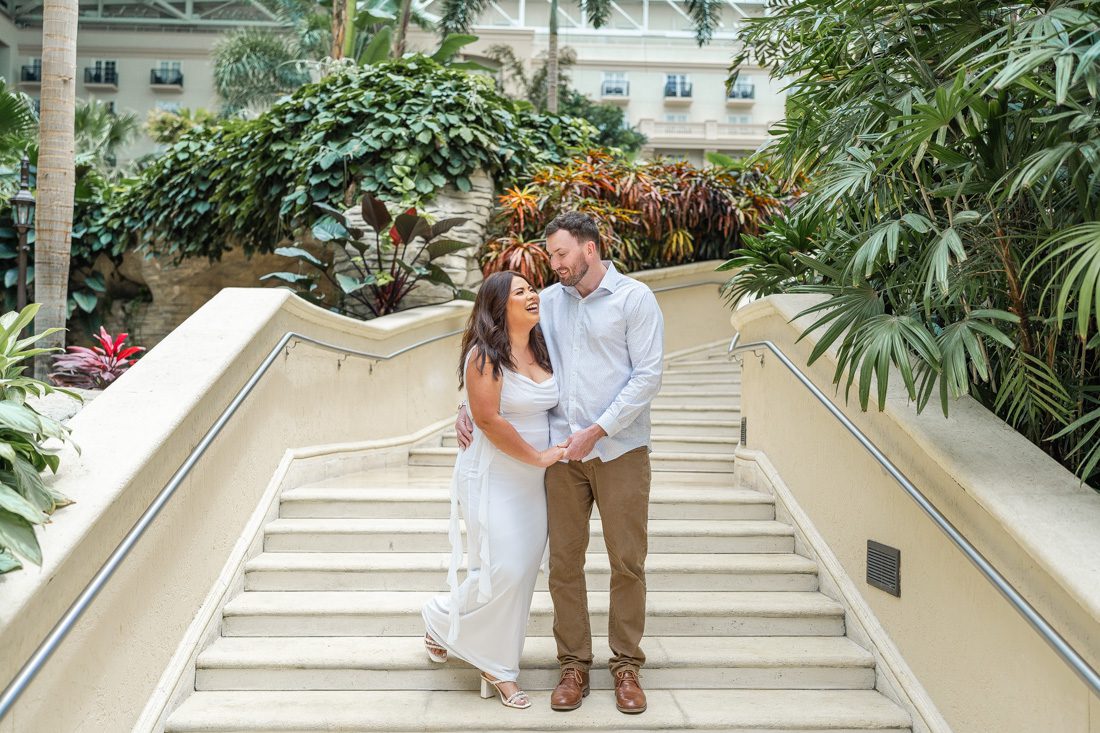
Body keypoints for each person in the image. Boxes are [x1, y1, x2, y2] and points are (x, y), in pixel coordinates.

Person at [455, 212, 664, 715]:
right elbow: (499, 346)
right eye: (551, 255)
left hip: (619, 452)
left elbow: (648, 376)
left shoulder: (635, 299)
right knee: (564, 566)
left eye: (561, 253)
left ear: (590, 249)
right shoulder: (546, 303)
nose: (554, 264)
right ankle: (573, 664)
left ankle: (626, 666)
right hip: (560, 459)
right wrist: (465, 403)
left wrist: (599, 428)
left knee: (626, 562)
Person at [421, 270, 565, 710]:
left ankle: (445, 623)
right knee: (503, 569)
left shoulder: (544, 346)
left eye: (531, 288)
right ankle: (496, 665)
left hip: (531, 483)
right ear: (499, 306)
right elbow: (488, 420)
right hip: (492, 475)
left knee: (520, 572)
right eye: (520, 292)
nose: (532, 295)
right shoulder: (485, 355)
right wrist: (539, 457)